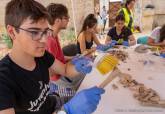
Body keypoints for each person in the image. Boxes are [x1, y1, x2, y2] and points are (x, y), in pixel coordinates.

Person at [0, 0, 105, 114]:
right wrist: (67, 111)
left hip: (54, 102)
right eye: (34, 32)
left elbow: (64, 69)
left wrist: (77, 66)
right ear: (12, 32)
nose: (44, 40)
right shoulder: (4, 79)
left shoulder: (41, 55)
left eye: (45, 32)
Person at [46, 3, 85, 102]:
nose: (68, 20)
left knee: (85, 75)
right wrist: (71, 65)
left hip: (62, 74)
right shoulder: (49, 40)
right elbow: (51, 70)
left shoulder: (54, 36)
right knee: (77, 93)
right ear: (58, 20)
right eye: (66, 17)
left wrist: (74, 57)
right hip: (56, 81)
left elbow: (60, 57)